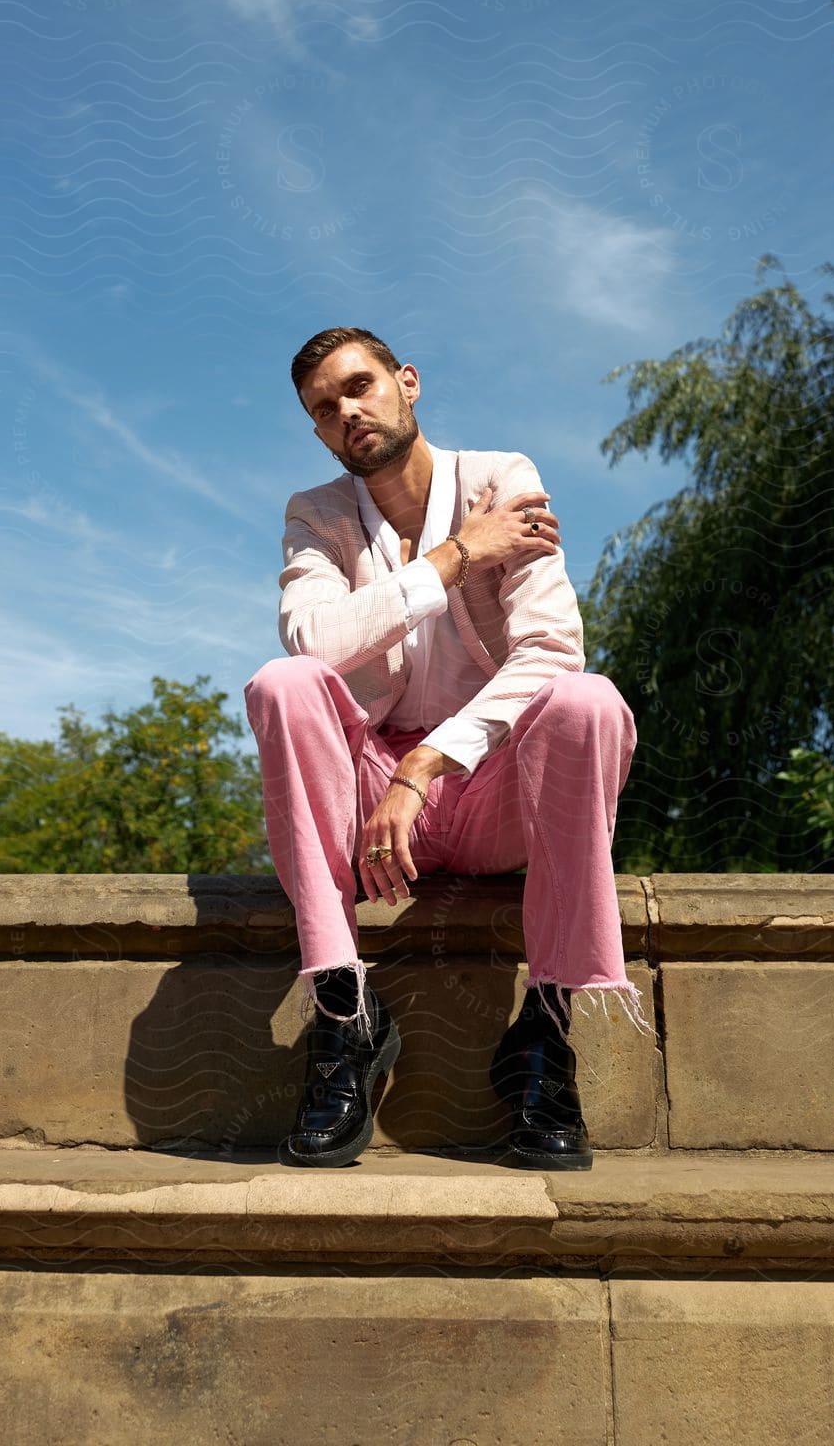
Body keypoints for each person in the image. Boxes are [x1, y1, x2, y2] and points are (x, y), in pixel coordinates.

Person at [244, 326, 651, 1173]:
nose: (348, 410)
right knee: (281, 685)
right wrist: (459, 556)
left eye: (361, 386)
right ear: (317, 432)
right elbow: (315, 641)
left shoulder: (503, 479)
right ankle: (345, 1012)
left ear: (408, 382)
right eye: (325, 407)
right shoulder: (314, 515)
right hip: (367, 813)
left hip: (485, 786)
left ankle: (544, 1034)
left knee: (588, 701)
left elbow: (550, 650)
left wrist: (427, 764)